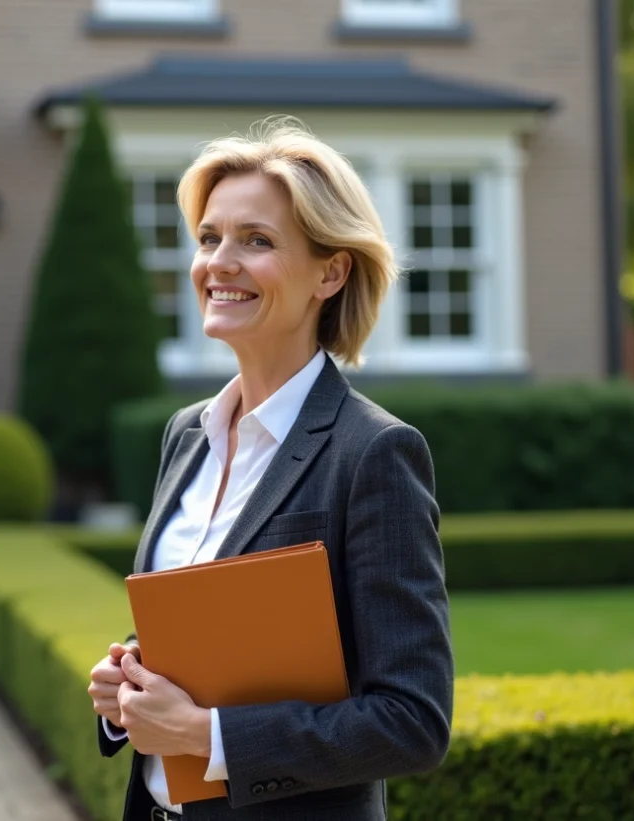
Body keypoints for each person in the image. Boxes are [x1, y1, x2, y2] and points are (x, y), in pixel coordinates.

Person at [87, 117, 454, 821]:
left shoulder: (374, 452)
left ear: (331, 271)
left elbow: (412, 720)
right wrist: (129, 683)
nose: (219, 262)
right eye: (209, 238)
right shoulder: (186, 434)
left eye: (255, 240)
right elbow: (213, 638)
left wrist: (208, 736)